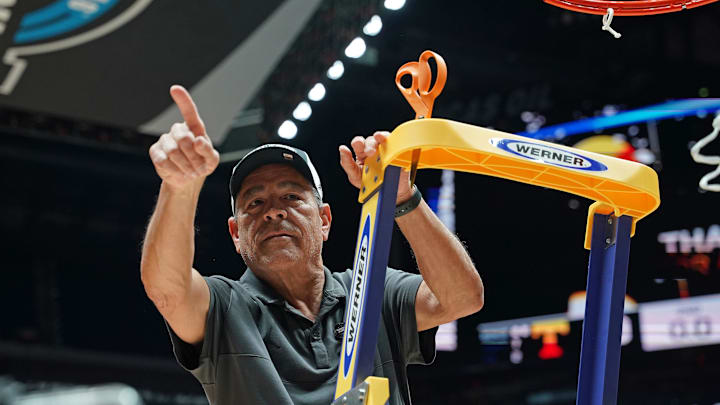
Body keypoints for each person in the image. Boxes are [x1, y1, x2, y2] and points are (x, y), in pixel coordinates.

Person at [140, 85, 484, 405]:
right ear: (235, 233)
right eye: (254, 203)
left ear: (324, 221)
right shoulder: (225, 306)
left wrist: (403, 199)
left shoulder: (371, 291)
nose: (273, 211)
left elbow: (462, 298)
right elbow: (168, 289)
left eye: (291, 196)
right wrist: (179, 188)